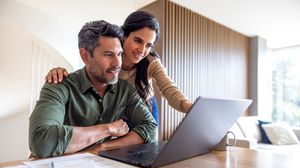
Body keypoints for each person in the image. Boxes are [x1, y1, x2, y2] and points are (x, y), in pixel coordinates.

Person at [29, 20, 157, 158]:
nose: (117, 63)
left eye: (119, 54)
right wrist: (109, 129)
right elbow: (41, 141)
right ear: (85, 56)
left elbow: (150, 128)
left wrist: (103, 147)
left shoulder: (125, 90)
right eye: (108, 54)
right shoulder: (58, 86)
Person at [46, 11, 193, 125]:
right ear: (124, 36)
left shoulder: (150, 62)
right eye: (138, 41)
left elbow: (170, 89)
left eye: (149, 45)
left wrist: (190, 108)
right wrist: (59, 71)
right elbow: (90, 72)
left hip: (144, 105)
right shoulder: (110, 55)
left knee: (147, 145)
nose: (142, 50)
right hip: (117, 108)